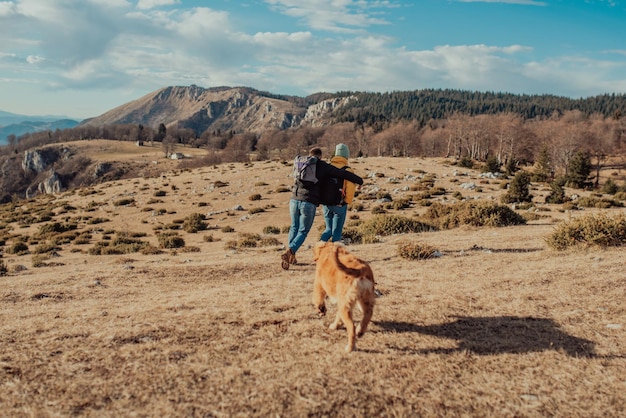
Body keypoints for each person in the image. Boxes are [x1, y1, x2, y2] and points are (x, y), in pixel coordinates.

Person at [282, 147, 364, 270]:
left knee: (294, 227)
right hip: (308, 203)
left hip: (294, 199)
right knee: (303, 231)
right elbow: (343, 174)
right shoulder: (322, 166)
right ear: (319, 157)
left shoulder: (301, 163)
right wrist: (360, 181)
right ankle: (291, 251)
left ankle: (291, 256)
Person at [319, 143, 358, 243]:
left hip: (326, 204)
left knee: (328, 230)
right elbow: (350, 189)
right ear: (346, 155)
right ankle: (335, 255)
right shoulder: (347, 170)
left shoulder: (327, 167)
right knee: (336, 232)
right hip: (339, 204)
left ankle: (319, 249)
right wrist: (346, 202)